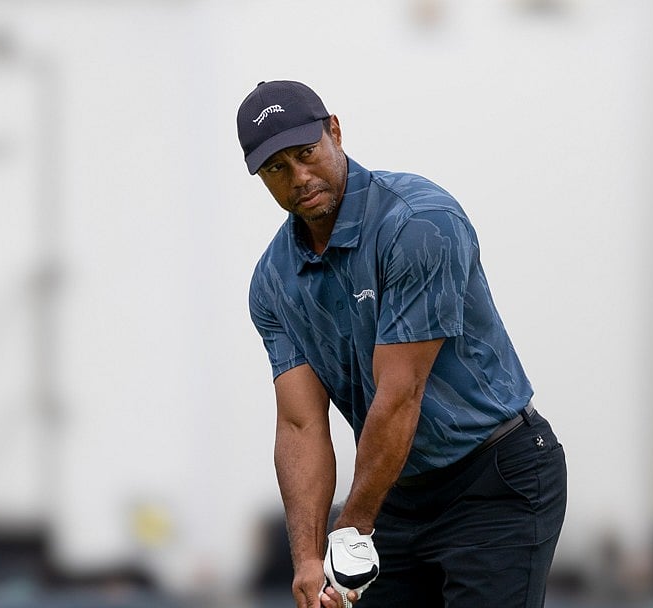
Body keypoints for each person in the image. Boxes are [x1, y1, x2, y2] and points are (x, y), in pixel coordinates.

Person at [238, 80, 567, 608]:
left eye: (306, 154)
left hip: (494, 480)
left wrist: (352, 529)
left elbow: (400, 393)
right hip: (395, 490)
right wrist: (307, 557)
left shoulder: (418, 224)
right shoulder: (273, 282)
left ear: (335, 133)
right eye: (278, 169)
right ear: (260, 178)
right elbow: (300, 425)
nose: (300, 178)